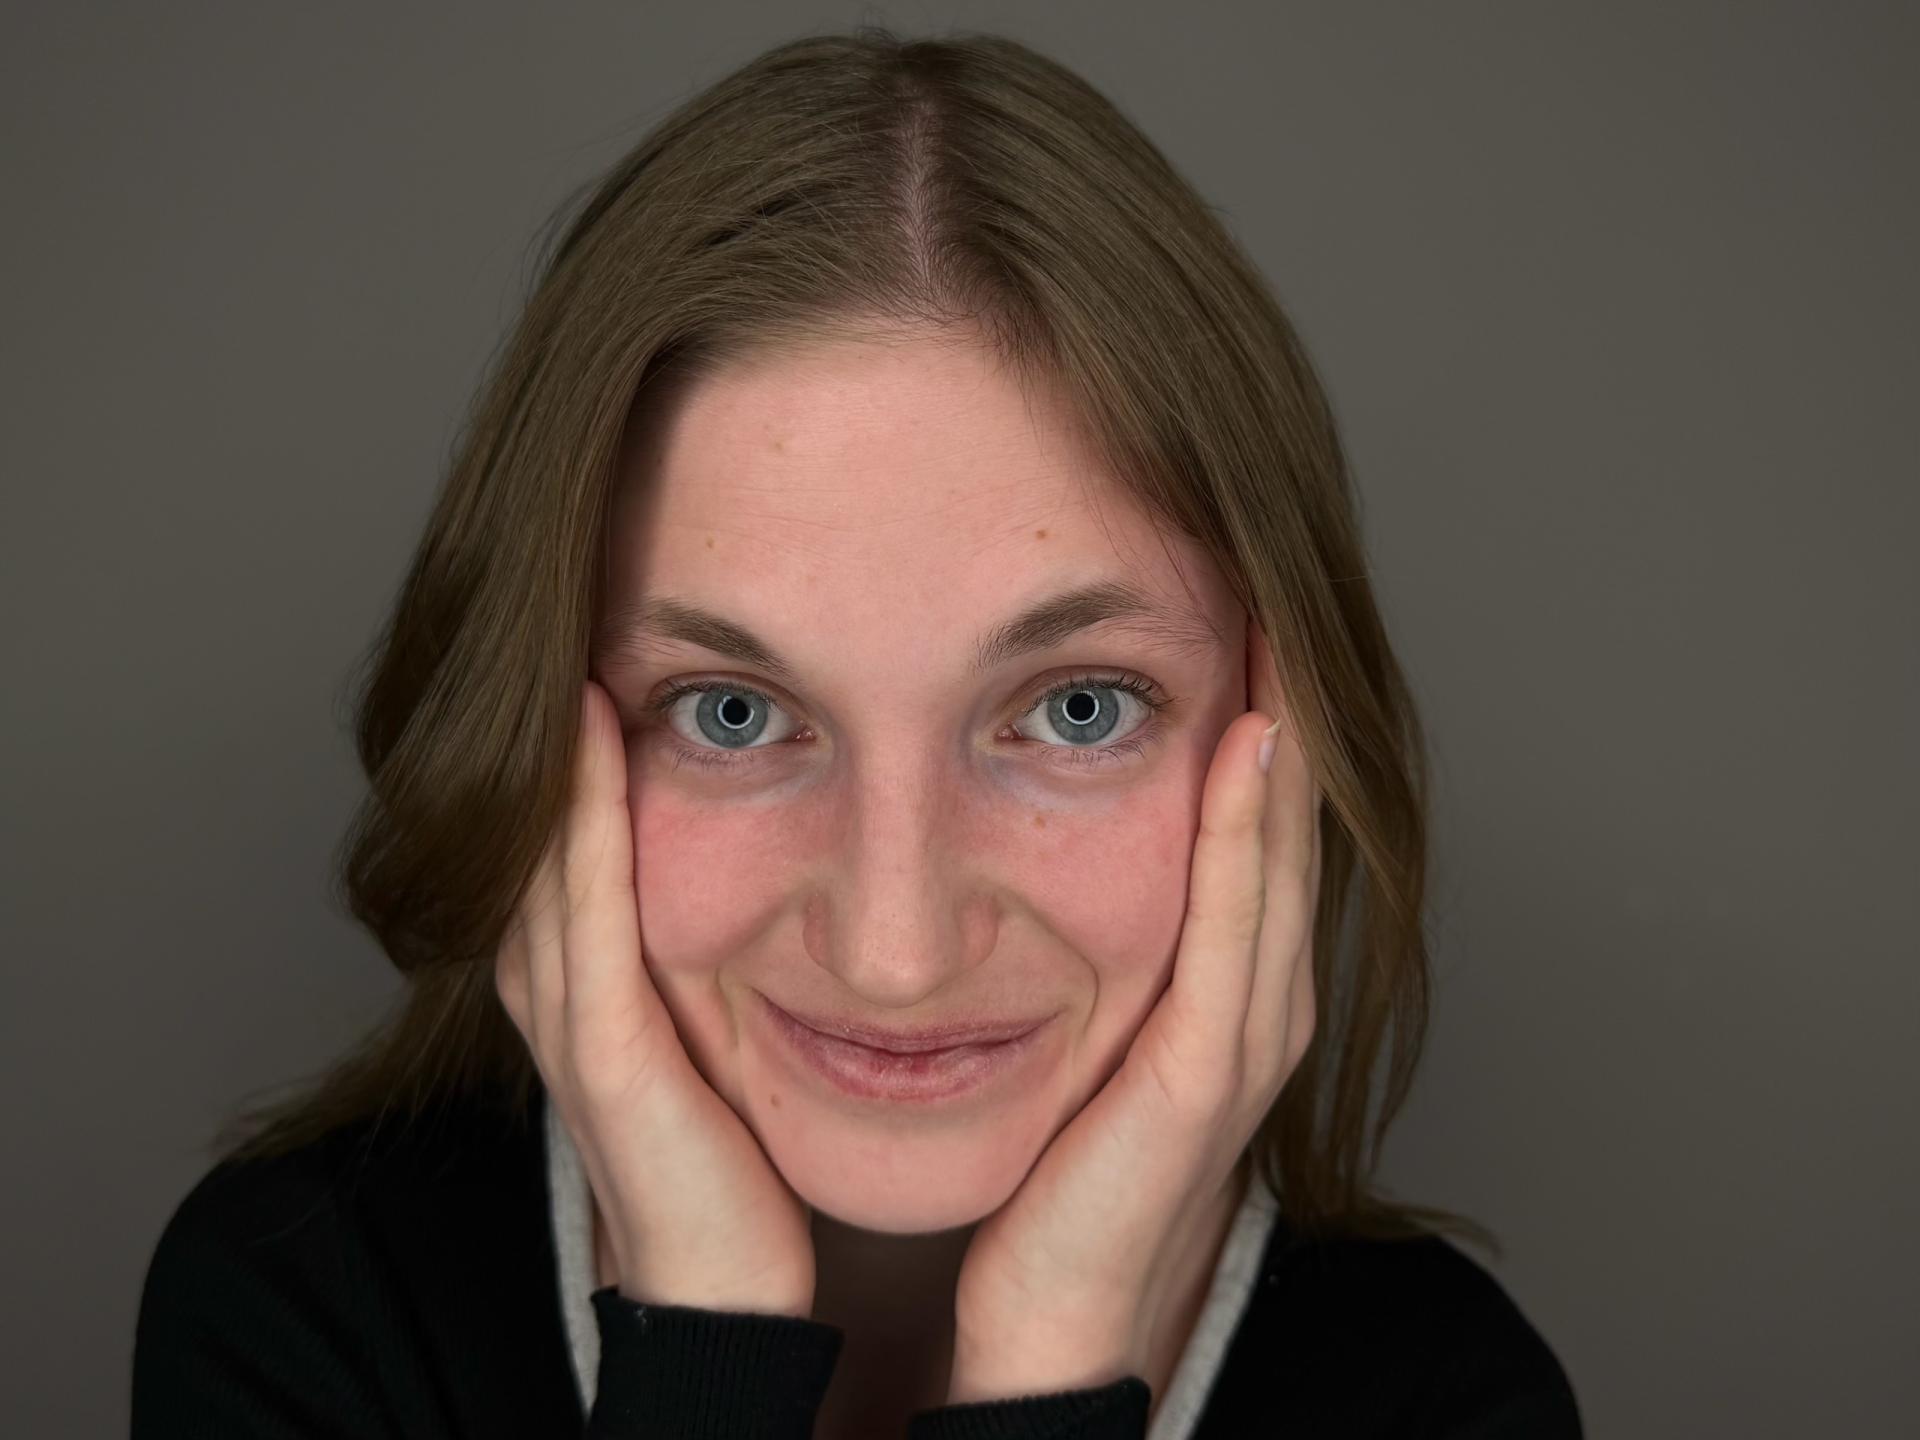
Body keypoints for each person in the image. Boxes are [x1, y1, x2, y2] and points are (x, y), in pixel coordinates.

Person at [131, 25, 1583, 1440]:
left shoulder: (1443, 1403)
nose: (898, 953)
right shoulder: (306, 1315)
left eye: (1076, 710)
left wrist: (1054, 1352)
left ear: (1283, 734)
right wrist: (704, 1351)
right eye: (734, 714)